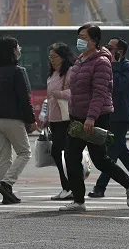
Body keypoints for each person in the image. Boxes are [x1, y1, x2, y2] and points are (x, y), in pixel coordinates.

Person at [60, 24, 129, 213]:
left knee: (100, 160)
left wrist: (91, 117)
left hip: (96, 117)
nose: (80, 40)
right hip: (77, 116)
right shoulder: (80, 60)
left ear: (94, 40)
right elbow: (76, 89)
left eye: (84, 36)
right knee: (71, 157)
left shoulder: (101, 62)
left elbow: (99, 93)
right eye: (79, 36)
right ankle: (79, 201)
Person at [89, 38, 129, 198]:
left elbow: (117, 86)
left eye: (110, 48)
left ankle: (100, 187)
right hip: (111, 115)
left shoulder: (126, 67)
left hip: (122, 116)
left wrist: (114, 65)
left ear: (120, 52)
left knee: (111, 153)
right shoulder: (106, 65)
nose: (107, 50)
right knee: (121, 151)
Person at [0, 37, 35, 204]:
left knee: (4, 156)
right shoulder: (18, 71)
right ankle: (6, 184)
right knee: (25, 153)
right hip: (12, 118)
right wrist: (31, 119)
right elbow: (24, 98)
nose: (19, 49)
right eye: (17, 47)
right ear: (13, 51)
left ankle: (6, 194)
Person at [42, 42, 74, 200]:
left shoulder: (69, 72)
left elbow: (75, 92)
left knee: (61, 153)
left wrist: (59, 94)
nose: (52, 60)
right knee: (59, 154)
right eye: (50, 57)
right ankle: (67, 187)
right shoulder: (52, 74)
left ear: (63, 57)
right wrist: (46, 118)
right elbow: (49, 98)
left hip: (66, 119)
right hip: (55, 119)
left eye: (54, 57)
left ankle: (70, 187)